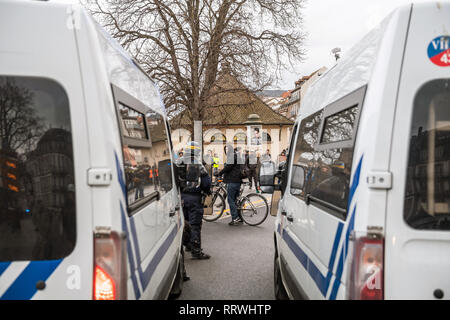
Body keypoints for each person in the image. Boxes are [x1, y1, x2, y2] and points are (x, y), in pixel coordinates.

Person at [175, 141, 212, 259]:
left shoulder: (178, 162)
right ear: (196, 152)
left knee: (184, 223)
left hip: (181, 197)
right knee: (195, 224)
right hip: (195, 198)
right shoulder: (198, 164)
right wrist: (207, 191)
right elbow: (206, 182)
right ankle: (196, 251)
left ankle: (187, 245)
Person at [215, 144, 243, 226]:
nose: (226, 151)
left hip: (232, 181)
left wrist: (219, 173)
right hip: (237, 180)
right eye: (225, 149)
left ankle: (235, 218)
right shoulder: (236, 156)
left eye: (228, 149)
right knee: (235, 201)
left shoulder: (232, 157)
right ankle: (240, 217)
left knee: (230, 200)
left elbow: (228, 167)